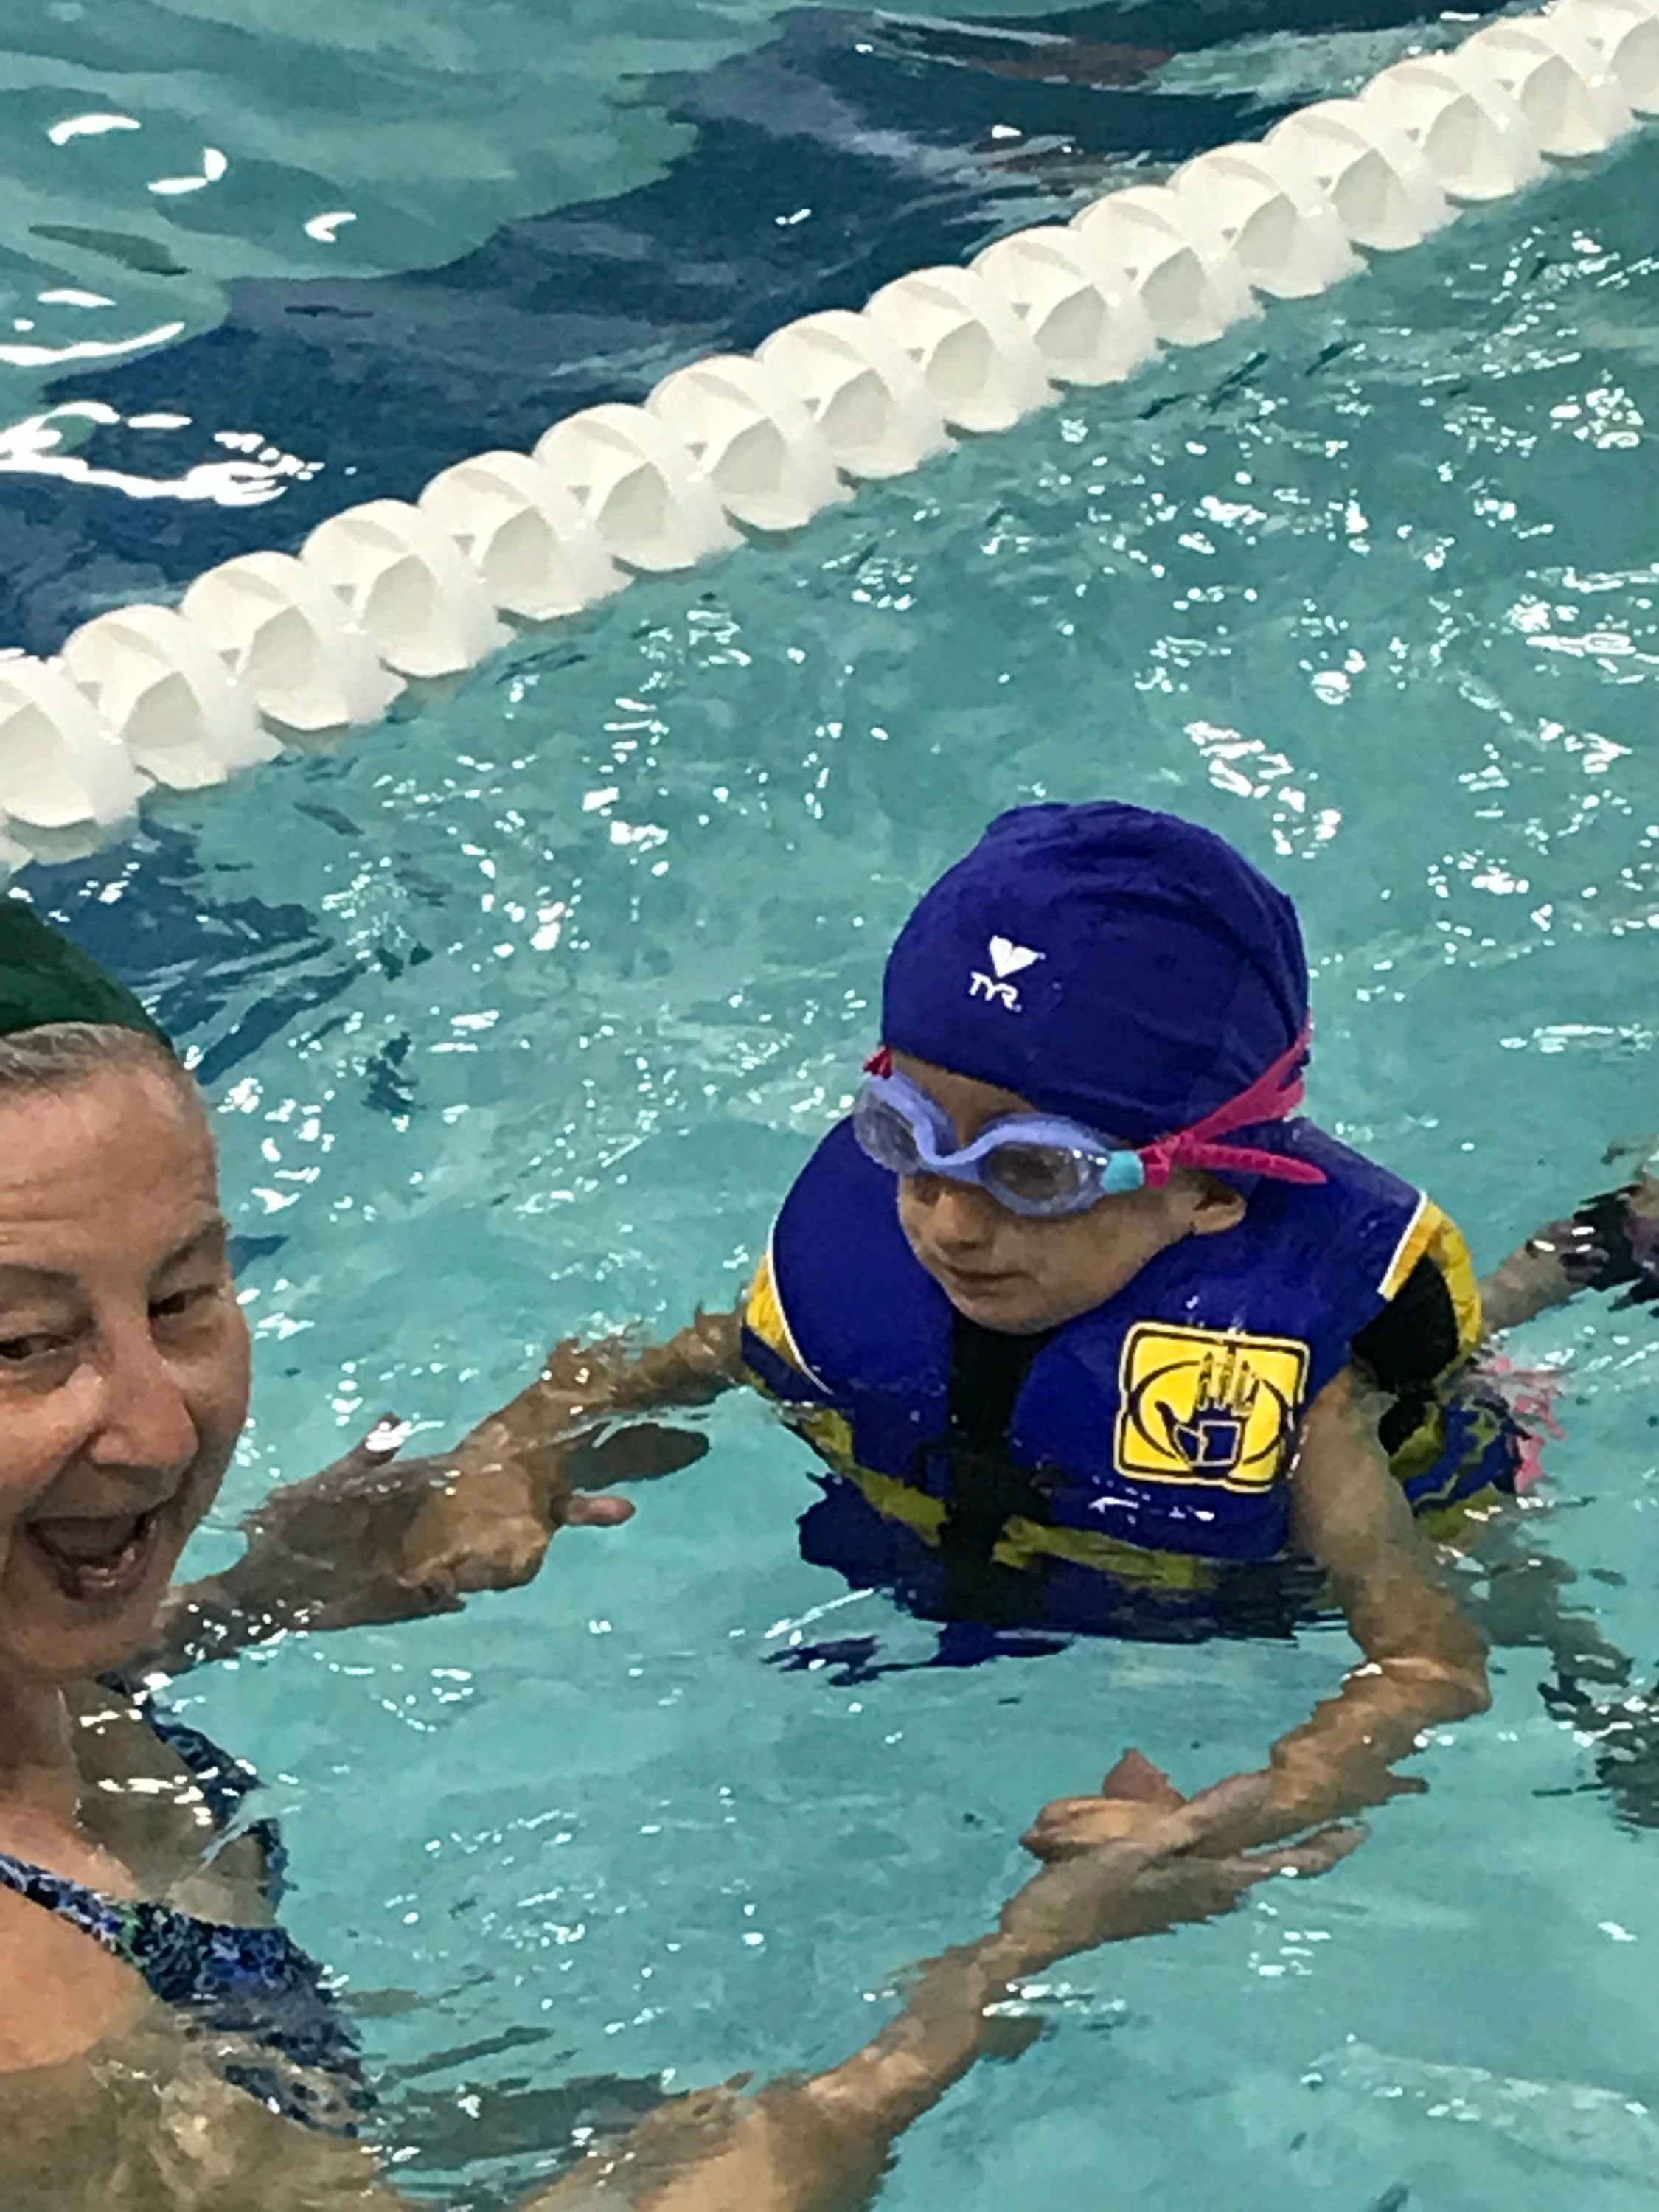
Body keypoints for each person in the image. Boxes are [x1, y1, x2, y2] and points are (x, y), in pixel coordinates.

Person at [0, 898, 1354, 2212]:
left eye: (184, 1296)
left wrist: (262, 1599)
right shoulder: (31, 2024)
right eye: (21, 1344)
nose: (161, 1427)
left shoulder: (44, 1669)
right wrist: (1005, 1975)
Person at [511, 801, 1659, 1867]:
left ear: (1211, 1192)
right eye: (907, 1133)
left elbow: (1426, 1665)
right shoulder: (886, 1256)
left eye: (1032, 1171)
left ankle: (1592, 1250)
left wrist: (1219, 1822)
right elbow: (667, 1367)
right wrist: (506, 1464)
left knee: (1538, 1614)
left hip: (1346, 1541)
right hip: (1028, 1543)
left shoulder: (1299, 1403)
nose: (950, 1221)